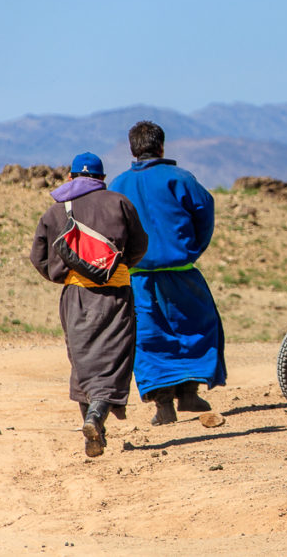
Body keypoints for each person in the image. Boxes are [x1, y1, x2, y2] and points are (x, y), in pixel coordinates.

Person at [30, 152, 148, 457]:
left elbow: (39, 258)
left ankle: (92, 428)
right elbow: (139, 246)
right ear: (101, 179)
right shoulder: (119, 203)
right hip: (116, 293)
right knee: (114, 358)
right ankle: (97, 415)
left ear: (70, 178)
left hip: (76, 297)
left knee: (83, 361)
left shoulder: (55, 212)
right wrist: (114, 267)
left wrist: (65, 275)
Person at [110, 121, 227, 425]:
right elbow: (205, 213)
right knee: (195, 328)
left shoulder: (118, 185)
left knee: (149, 338)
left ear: (133, 150)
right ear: (161, 146)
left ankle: (167, 403)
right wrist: (192, 249)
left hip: (138, 279)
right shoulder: (182, 179)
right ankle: (188, 391)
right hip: (182, 275)